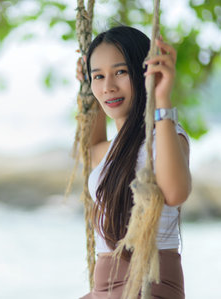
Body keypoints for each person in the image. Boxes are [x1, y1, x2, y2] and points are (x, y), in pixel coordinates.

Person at [76, 26, 191, 299]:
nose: (108, 86)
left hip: (147, 286)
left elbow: (175, 193)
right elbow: (90, 151)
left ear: (145, 74)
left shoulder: (164, 134)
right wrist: (85, 90)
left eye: (120, 72)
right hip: (103, 289)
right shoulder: (117, 146)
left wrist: (162, 97)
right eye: (99, 76)